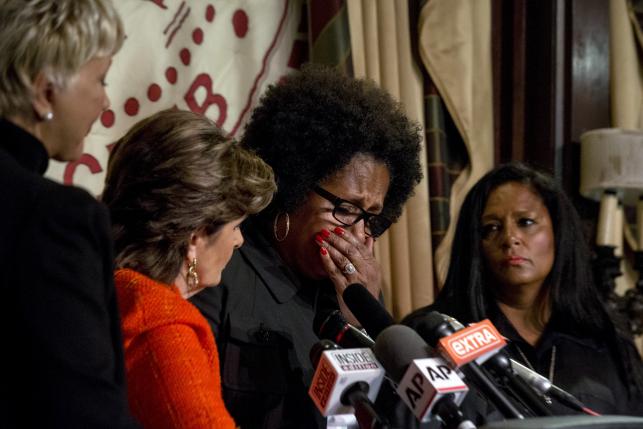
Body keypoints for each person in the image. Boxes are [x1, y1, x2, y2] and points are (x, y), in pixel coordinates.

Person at [191, 64, 424, 428]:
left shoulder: (358, 296)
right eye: (345, 208)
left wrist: (360, 320)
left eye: (372, 217)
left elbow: (395, 417)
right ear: (293, 188)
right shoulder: (219, 266)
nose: (358, 233)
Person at [404, 162, 643, 419]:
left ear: (558, 233)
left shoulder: (605, 340)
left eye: (526, 222)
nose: (510, 238)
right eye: (491, 228)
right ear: (475, 245)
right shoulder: (433, 334)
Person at [0, 1, 140, 427]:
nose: (105, 99)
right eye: (100, 79)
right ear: (46, 92)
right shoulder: (55, 217)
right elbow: (86, 407)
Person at [102, 109, 276, 429]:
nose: (239, 241)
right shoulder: (161, 326)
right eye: (236, 226)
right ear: (194, 237)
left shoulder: (115, 288)